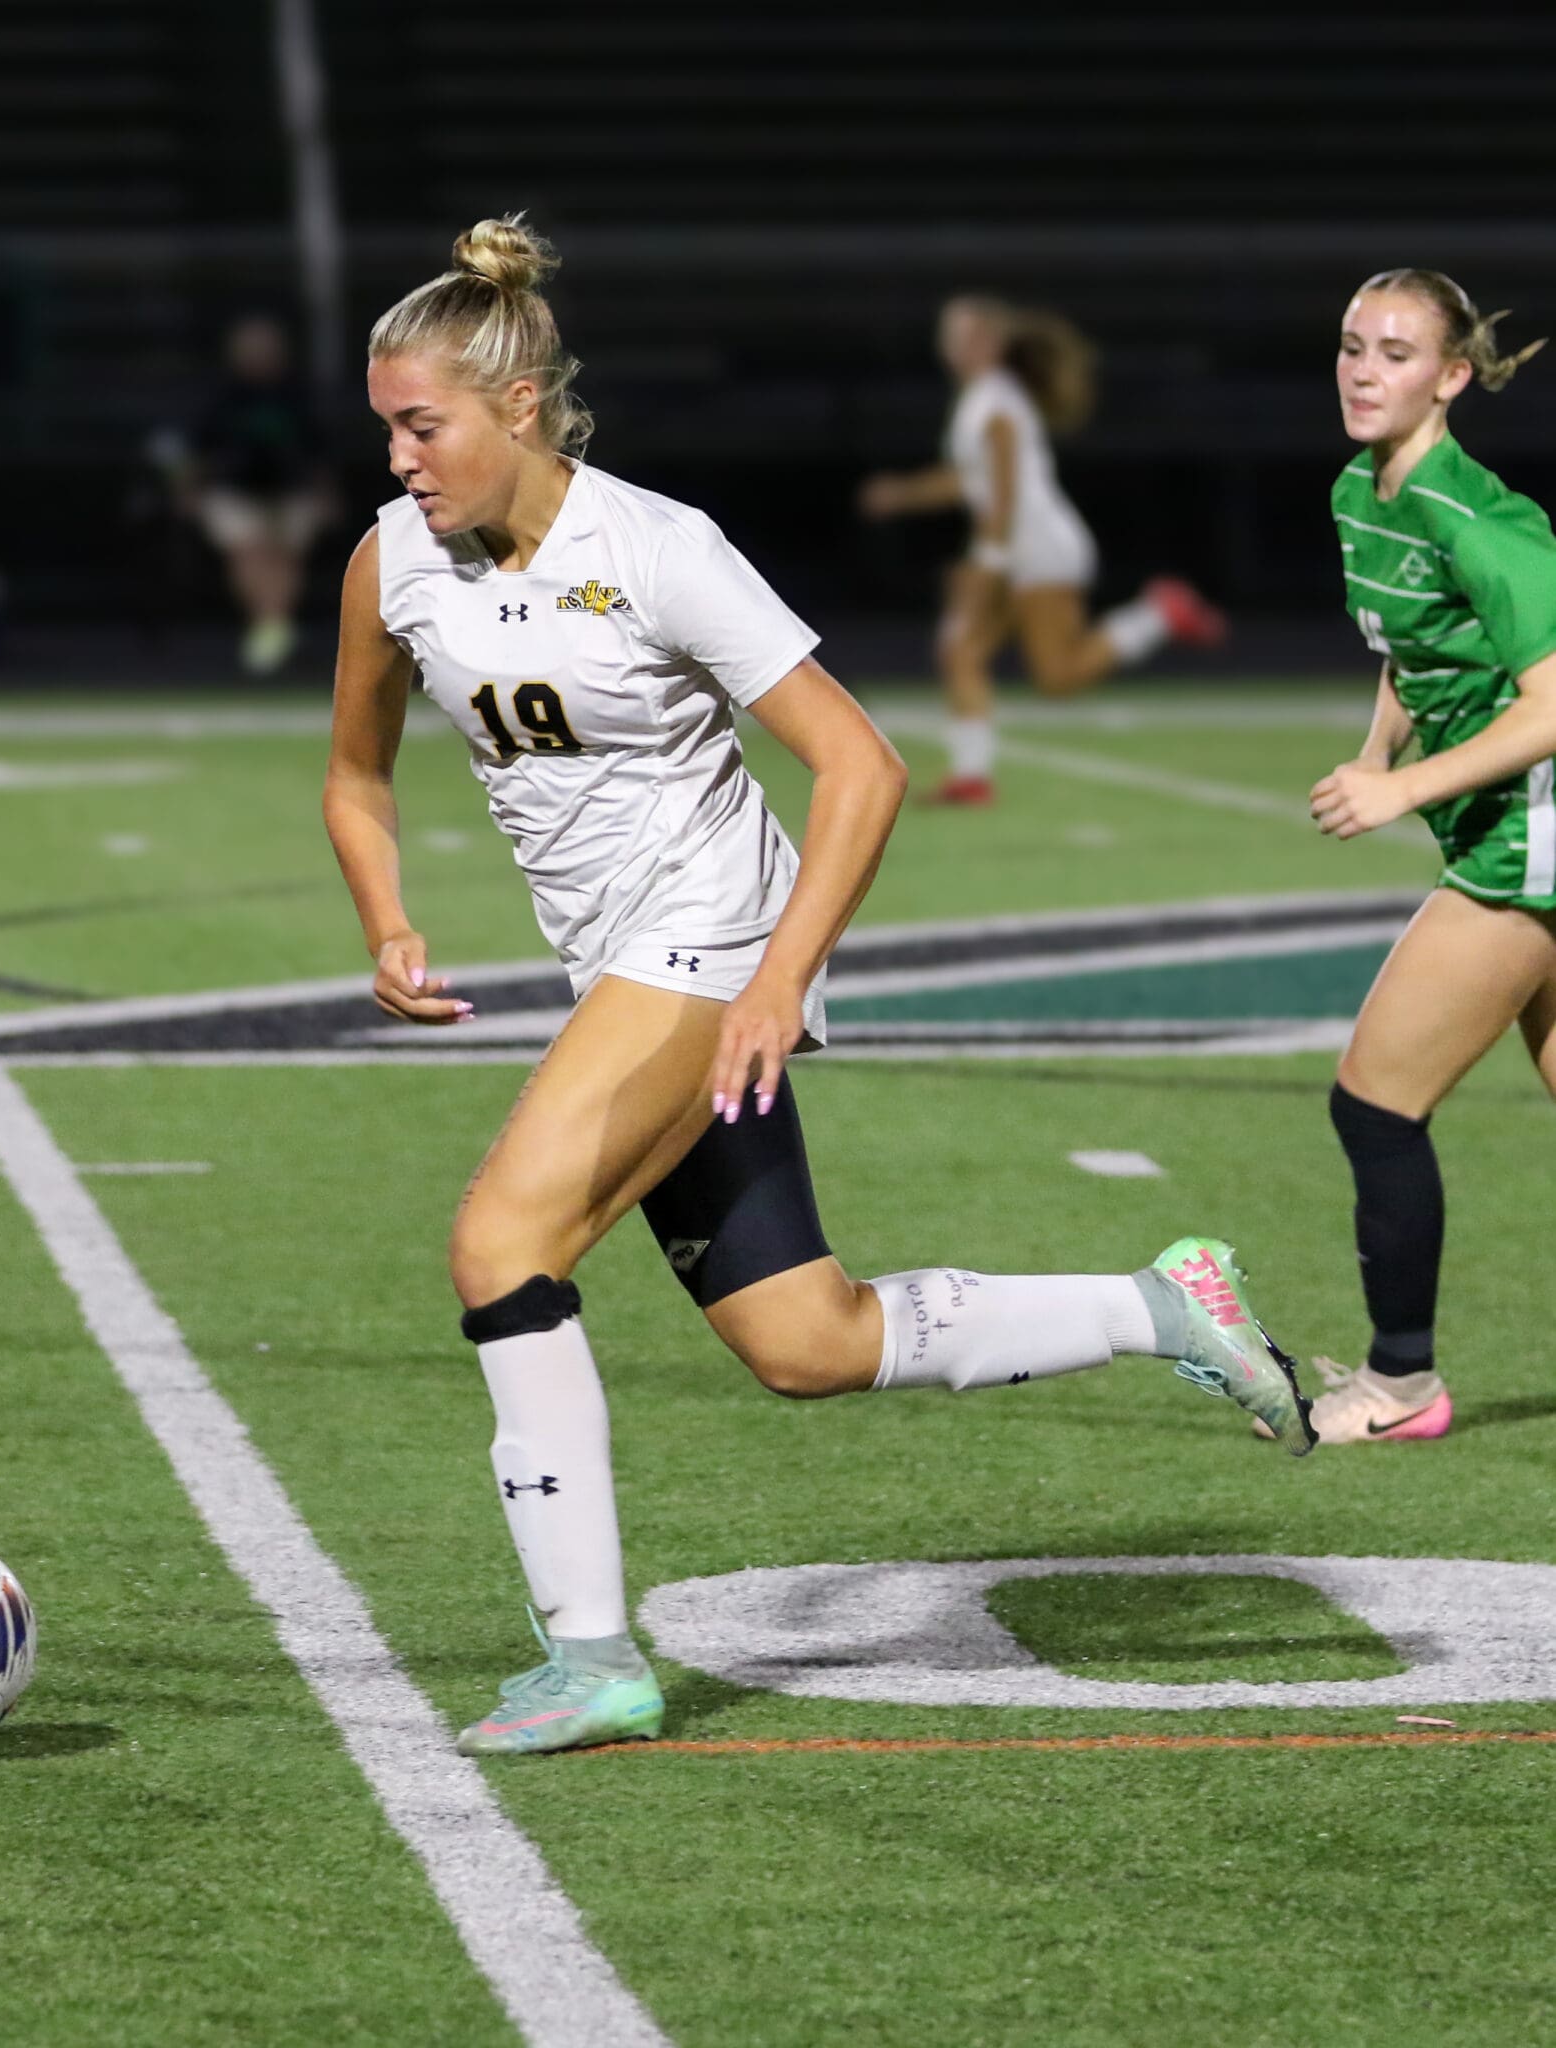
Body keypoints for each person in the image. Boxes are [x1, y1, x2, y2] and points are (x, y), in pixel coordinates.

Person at [323, 216, 1315, 1759]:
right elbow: (355, 772)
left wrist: (777, 978)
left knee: (500, 1245)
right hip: (622, 965)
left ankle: (589, 1659)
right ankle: (1156, 1305)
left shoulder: (657, 549)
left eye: (418, 424)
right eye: (385, 426)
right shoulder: (390, 563)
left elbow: (860, 764)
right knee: (805, 1341)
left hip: (710, 944)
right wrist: (386, 920)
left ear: (516, 407)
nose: (396, 458)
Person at [1279, 268, 1553, 1447]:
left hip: (1528, 838)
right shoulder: (1360, 490)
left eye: (1393, 353)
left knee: (1374, 1102)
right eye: (1351, 345)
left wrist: (1398, 789)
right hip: (1503, 824)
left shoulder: (1473, 515)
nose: (1360, 370)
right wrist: (1375, 747)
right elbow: (1413, 646)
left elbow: (1552, 702)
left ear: (1447, 378)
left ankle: (1399, 1384)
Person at [857, 295, 1225, 804]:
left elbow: (1003, 490)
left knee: (1056, 676)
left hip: (1038, 551)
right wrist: (901, 494)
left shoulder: (995, 402)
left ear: (989, 343)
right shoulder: (982, 399)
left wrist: (986, 564)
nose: (949, 346)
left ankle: (1158, 614)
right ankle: (971, 777)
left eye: (961, 335)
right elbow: (969, 481)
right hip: (1018, 550)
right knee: (961, 650)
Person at [185, 315, 330, 674]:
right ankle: (274, 628)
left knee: (283, 555)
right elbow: (195, 453)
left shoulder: (297, 396)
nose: (258, 357)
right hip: (233, 493)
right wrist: (188, 492)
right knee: (250, 550)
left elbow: (319, 452)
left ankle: (269, 630)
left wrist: (327, 493)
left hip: (291, 493)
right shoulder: (219, 398)